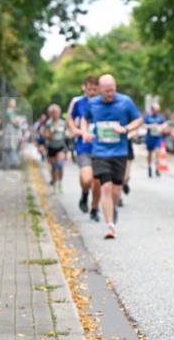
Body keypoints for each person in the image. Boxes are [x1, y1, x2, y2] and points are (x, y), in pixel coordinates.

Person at [80, 74, 143, 240]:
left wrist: (126, 128)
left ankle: (112, 209)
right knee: (105, 187)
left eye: (113, 90)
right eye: (107, 91)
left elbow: (138, 119)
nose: (110, 94)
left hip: (119, 153)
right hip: (100, 152)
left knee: (115, 192)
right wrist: (85, 132)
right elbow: (84, 119)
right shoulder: (92, 103)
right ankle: (110, 226)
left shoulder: (125, 102)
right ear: (100, 90)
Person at [67, 76, 101, 219]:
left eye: (95, 89)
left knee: (98, 181)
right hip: (84, 146)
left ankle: (94, 209)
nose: (92, 92)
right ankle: (84, 194)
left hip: (100, 148)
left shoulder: (103, 103)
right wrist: (74, 129)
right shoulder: (78, 102)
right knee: (87, 179)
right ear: (84, 88)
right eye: (89, 89)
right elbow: (69, 117)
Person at [43, 104, 68, 191]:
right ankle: (54, 182)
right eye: (53, 112)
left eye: (57, 112)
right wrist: (54, 131)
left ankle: (60, 182)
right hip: (51, 146)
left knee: (60, 165)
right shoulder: (48, 123)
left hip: (60, 146)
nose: (55, 114)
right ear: (50, 114)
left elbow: (66, 134)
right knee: (54, 167)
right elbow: (46, 135)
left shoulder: (63, 122)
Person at [143, 103, 168, 178]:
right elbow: (143, 125)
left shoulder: (160, 117)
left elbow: (165, 124)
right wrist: (151, 126)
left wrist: (161, 127)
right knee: (150, 153)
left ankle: (157, 169)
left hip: (158, 138)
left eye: (158, 110)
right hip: (150, 138)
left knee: (157, 153)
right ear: (152, 109)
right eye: (155, 110)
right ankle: (149, 167)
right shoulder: (147, 117)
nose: (156, 111)